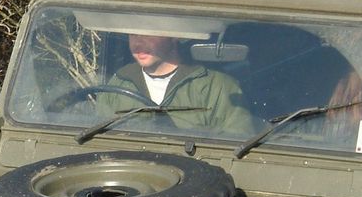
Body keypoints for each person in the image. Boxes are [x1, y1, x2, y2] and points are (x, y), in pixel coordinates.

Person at [96, 34, 257, 136]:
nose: (138, 43)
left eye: (148, 33)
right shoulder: (118, 84)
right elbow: (99, 138)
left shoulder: (217, 86)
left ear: (174, 36)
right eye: (133, 34)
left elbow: (237, 144)